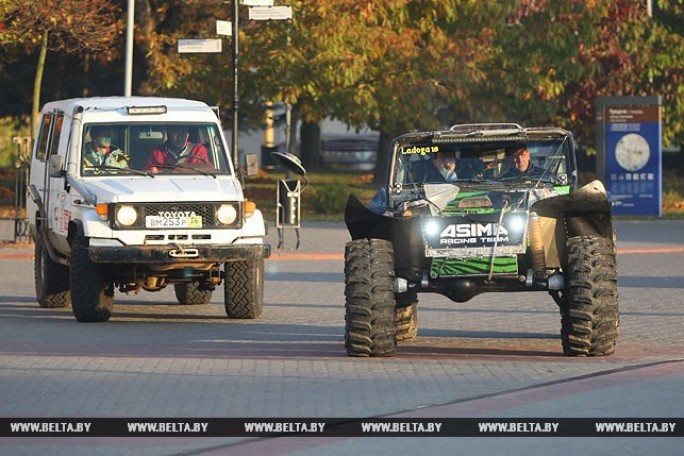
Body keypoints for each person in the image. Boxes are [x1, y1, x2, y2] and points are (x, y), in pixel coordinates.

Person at [144, 125, 210, 173]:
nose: (180, 137)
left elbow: (207, 171)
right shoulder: (157, 152)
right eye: (176, 133)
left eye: (183, 133)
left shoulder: (198, 150)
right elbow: (148, 174)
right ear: (169, 133)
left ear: (188, 134)